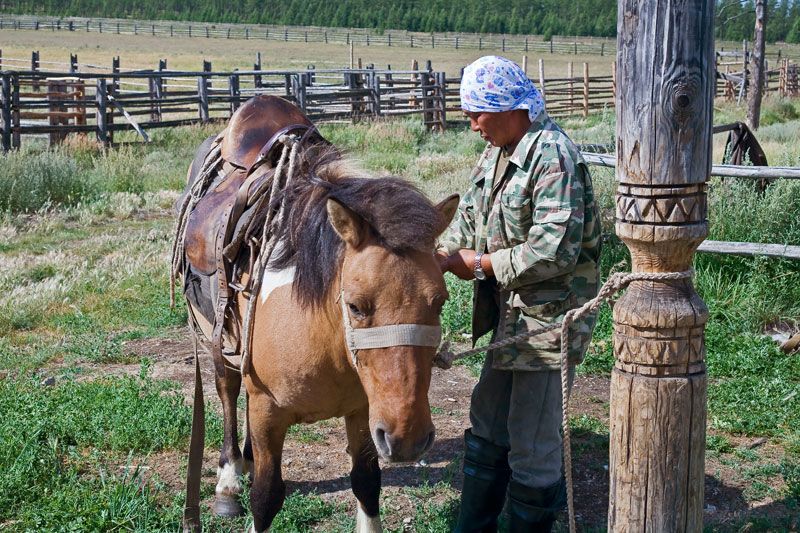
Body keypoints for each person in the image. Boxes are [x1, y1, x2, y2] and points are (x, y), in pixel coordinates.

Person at [437, 56, 601, 532]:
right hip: (512, 318)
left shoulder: (552, 155)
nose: (471, 125)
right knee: (487, 420)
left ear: (506, 107)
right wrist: (439, 255)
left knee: (532, 441)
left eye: (476, 113)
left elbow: (555, 250)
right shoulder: (498, 152)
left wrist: (484, 265)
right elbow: (469, 219)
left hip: (550, 320)